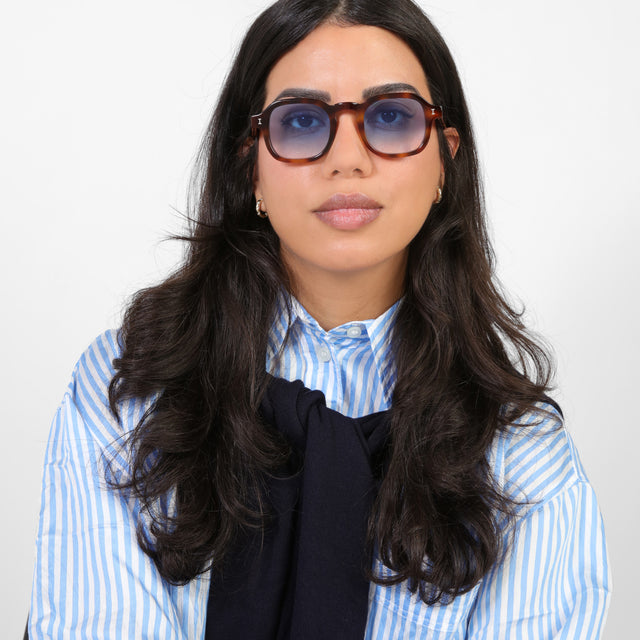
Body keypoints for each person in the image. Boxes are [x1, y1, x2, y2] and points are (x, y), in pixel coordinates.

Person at [27, 0, 611, 638]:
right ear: (249, 163)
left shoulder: (523, 456)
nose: (348, 160)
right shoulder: (126, 393)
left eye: (390, 117)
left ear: (445, 160)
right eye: (303, 122)